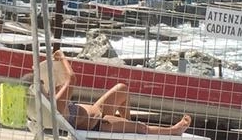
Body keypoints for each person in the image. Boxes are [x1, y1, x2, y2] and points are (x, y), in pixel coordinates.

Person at [46, 49, 192, 135]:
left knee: (122, 88)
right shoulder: (56, 103)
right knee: (141, 128)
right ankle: (173, 130)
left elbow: (61, 84)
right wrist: (62, 58)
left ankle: (126, 123)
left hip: (97, 111)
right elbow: (72, 79)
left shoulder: (49, 101)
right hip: (99, 123)